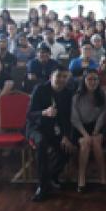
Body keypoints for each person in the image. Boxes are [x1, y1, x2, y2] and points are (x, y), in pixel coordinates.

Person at [25, 67, 75, 202]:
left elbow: (66, 117)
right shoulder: (40, 89)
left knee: (68, 148)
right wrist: (44, 112)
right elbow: (29, 114)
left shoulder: (68, 93)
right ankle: (42, 186)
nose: (61, 80)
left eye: (65, 77)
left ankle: (51, 176)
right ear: (51, 77)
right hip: (37, 128)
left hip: (55, 129)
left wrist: (66, 136)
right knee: (41, 144)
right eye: (59, 76)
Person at [71, 69, 106, 193]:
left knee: (97, 143)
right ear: (84, 80)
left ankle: (103, 177)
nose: (93, 82)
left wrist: (95, 131)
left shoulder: (104, 95)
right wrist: (85, 134)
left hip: (97, 126)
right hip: (80, 128)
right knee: (85, 143)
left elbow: (103, 115)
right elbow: (74, 118)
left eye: (95, 79)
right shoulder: (76, 97)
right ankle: (81, 178)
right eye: (89, 79)